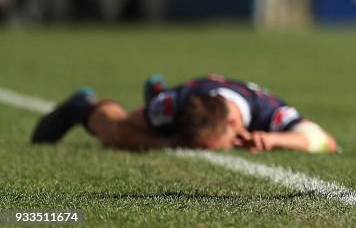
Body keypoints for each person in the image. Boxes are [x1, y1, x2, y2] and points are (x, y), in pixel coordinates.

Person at [30, 74, 338, 153]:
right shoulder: (176, 107)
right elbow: (123, 130)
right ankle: (83, 106)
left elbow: (326, 141)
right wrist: (164, 145)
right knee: (113, 135)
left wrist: (273, 140)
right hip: (174, 101)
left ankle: (156, 88)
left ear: (234, 123)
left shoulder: (266, 110)